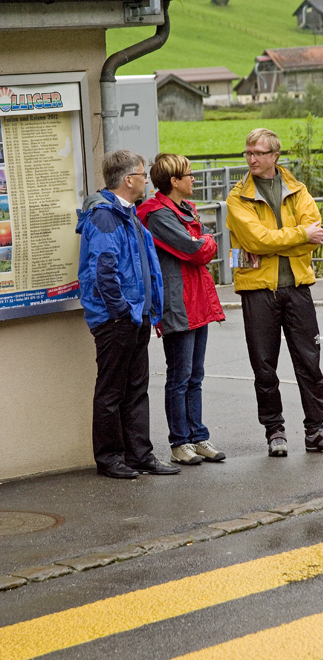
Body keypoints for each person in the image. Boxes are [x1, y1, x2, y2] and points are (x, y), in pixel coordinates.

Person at [226, 128, 323, 456]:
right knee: (264, 365)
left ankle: (316, 431)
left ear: (274, 156)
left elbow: (314, 235)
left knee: (309, 360)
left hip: (297, 285)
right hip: (256, 289)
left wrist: (279, 241)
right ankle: (274, 430)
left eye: (258, 153)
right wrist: (298, 236)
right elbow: (254, 241)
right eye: (248, 152)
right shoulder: (237, 197)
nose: (251, 158)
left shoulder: (297, 189)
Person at [76, 150, 180, 478]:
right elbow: (104, 270)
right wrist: (121, 312)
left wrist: (145, 312)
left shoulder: (127, 213)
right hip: (117, 320)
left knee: (136, 388)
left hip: (137, 316)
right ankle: (109, 459)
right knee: (111, 391)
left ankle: (140, 455)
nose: (146, 180)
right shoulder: (106, 216)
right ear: (128, 180)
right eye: (141, 174)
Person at [137, 153, 226, 466]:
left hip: (195, 299)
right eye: (188, 175)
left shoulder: (185, 209)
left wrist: (201, 240)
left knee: (195, 375)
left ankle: (197, 435)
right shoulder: (158, 214)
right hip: (178, 303)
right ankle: (180, 442)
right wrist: (203, 240)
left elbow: (200, 244)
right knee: (180, 375)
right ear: (174, 182)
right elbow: (196, 249)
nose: (193, 179)